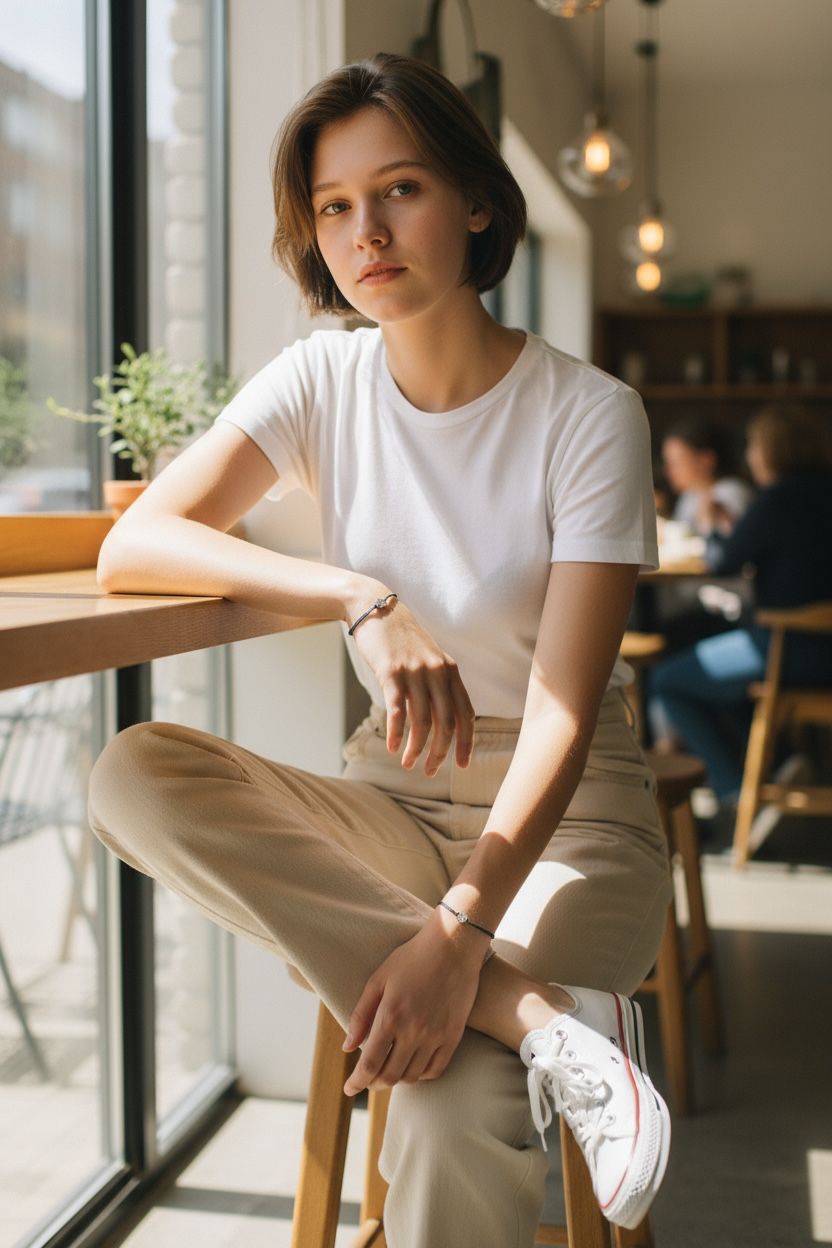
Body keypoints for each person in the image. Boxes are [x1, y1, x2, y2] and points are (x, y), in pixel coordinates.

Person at [86, 54, 674, 1245]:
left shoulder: (588, 413)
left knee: (451, 1110)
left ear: (472, 200)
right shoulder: (320, 380)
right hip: (390, 801)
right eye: (335, 207)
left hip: (567, 822)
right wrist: (355, 592)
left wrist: (455, 937)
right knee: (131, 774)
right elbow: (136, 541)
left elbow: (560, 717)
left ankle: (502, 1004)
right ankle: (544, 1020)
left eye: (398, 189)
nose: (366, 232)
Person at [648, 403, 832, 809]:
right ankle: (776, 766)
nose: (750, 456)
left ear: (774, 451)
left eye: (754, 446)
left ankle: (735, 792)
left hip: (789, 650)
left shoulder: (776, 501)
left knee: (668, 681)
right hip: (812, 651)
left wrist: (715, 527)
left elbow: (724, 562)